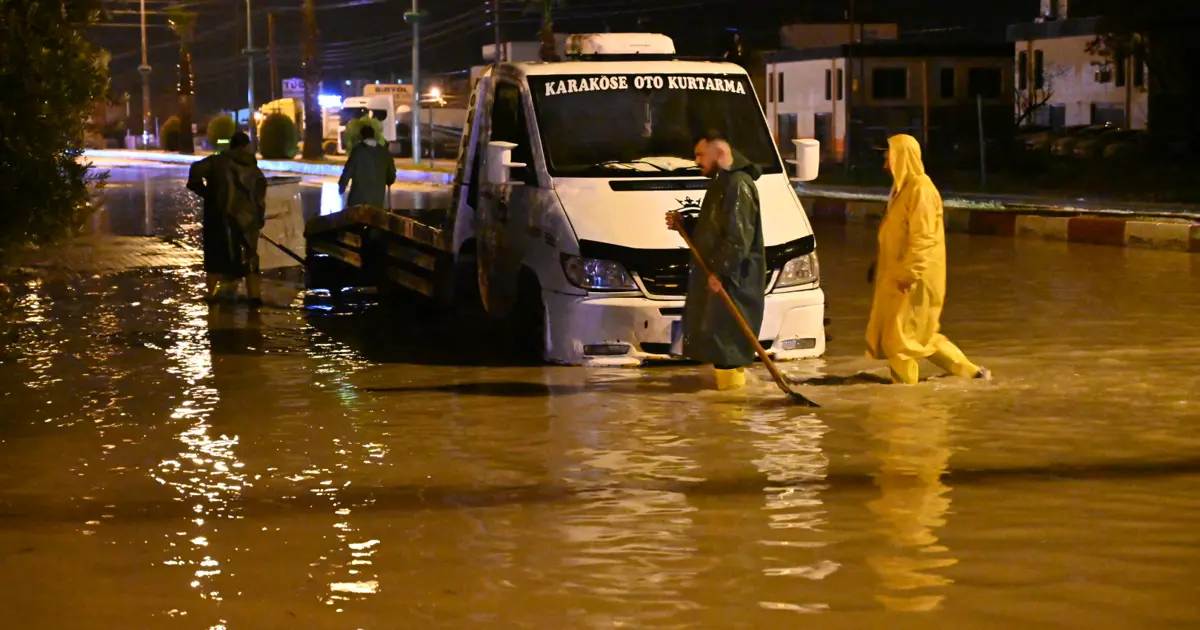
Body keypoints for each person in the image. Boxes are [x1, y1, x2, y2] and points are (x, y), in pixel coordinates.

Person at [866, 134, 990, 384]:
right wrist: (878, 263)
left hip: (915, 278)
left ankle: (904, 395)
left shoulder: (921, 190)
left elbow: (924, 238)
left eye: (889, 158)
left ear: (902, 158)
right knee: (922, 335)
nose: (885, 164)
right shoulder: (903, 189)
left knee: (899, 339)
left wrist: (909, 274)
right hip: (901, 274)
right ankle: (973, 374)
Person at [666, 134, 766, 391]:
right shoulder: (723, 182)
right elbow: (715, 229)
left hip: (733, 283)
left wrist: (720, 271)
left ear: (719, 153)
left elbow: (737, 238)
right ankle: (727, 405)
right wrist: (687, 225)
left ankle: (732, 408)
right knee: (721, 349)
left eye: (701, 154)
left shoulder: (738, 185)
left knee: (728, 352)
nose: (696, 161)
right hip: (723, 279)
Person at [186, 131, 267, 306]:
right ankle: (254, 296)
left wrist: (207, 194)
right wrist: (259, 218)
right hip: (246, 220)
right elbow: (260, 197)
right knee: (249, 257)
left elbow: (195, 173)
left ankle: (212, 294)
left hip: (218, 217)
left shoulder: (216, 161)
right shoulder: (254, 169)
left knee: (215, 256)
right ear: (246, 147)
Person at [338, 125, 397, 209]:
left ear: (361, 137)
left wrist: (342, 186)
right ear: (373, 136)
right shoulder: (384, 152)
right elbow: (391, 177)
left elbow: (347, 171)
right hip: (377, 201)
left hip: (357, 201)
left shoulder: (357, 151)